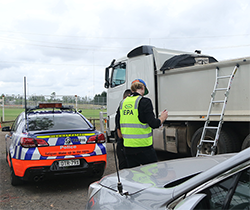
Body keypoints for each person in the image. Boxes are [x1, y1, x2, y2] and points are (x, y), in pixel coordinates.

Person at [117, 79, 168, 168]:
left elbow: (119, 125)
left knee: (133, 175)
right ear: (142, 88)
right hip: (144, 148)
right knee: (152, 174)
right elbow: (153, 123)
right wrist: (162, 118)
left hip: (128, 148)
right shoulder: (145, 102)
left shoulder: (122, 103)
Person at [115, 89, 132, 170]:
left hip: (125, 144)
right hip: (124, 145)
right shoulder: (121, 110)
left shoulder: (121, 110)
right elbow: (119, 134)